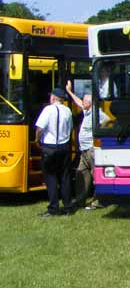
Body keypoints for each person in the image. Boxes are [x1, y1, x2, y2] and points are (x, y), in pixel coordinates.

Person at [66, 81, 109, 210]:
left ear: (89, 103)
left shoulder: (97, 113)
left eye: (84, 101)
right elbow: (78, 102)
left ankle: (98, 201)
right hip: (84, 151)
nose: (82, 103)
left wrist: (99, 129)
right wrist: (69, 91)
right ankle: (80, 200)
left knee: (96, 177)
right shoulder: (87, 111)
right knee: (81, 174)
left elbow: (107, 119)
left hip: (91, 150)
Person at [35, 87, 74, 217]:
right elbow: (70, 128)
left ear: (53, 97)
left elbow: (40, 128)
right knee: (65, 177)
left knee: (50, 177)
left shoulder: (48, 109)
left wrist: (37, 140)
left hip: (50, 147)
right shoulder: (68, 110)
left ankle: (54, 208)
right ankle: (68, 207)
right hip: (64, 146)